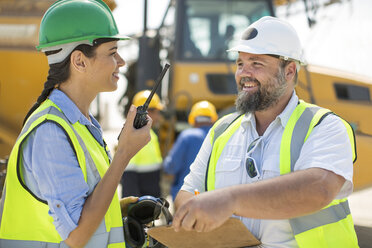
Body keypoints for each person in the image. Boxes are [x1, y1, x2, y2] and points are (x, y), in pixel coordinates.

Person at [172, 16, 359, 247]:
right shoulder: (221, 131)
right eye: (240, 63)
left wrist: (230, 200)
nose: (244, 74)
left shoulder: (324, 126)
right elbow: (186, 195)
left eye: (256, 64)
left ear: (289, 71)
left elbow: (319, 188)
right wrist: (196, 212)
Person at [0, 1, 152, 247]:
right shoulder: (51, 131)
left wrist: (117, 209)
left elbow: (81, 206)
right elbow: (77, 236)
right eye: (113, 52)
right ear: (80, 61)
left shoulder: (81, 125)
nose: (122, 61)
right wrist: (124, 153)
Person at [163, 100, 218, 200]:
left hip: (186, 197)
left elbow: (171, 166)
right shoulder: (219, 137)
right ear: (213, 119)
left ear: (193, 119)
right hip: (212, 199)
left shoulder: (187, 136)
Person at [120, 90, 163, 198]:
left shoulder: (150, 133)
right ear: (147, 111)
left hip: (150, 190)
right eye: (157, 112)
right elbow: (129, 170)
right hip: (139, 196)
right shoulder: (135, 135)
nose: (158, 116)